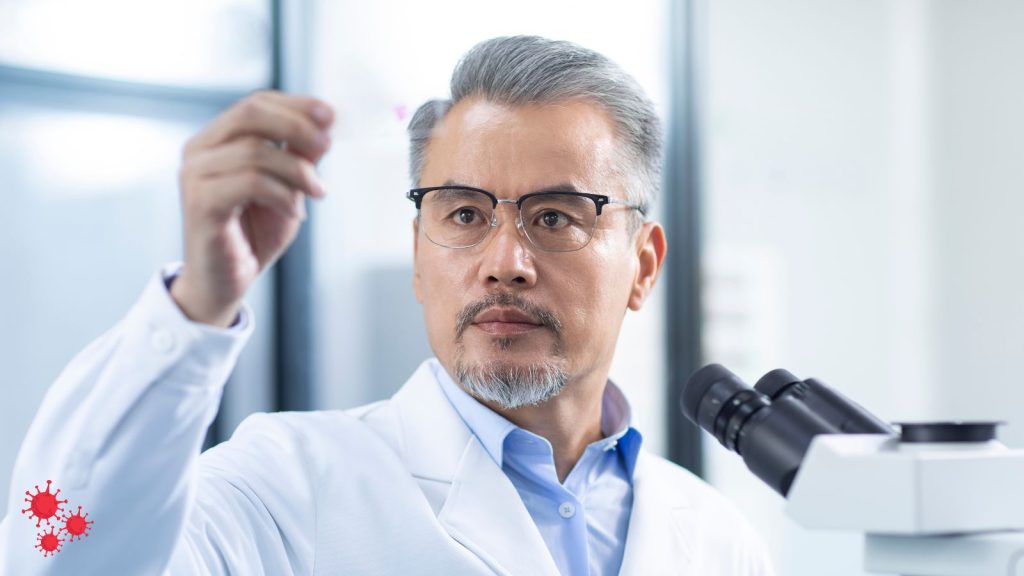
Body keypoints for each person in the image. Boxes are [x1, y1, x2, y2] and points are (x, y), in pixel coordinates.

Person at [0, 36, 772, 575]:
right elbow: (58, 549)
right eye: (464, 215)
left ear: (642, 266)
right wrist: (195, 309)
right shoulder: (281, 490)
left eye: (556, 217)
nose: (505, 264)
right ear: (417, 254)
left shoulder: (714, 538)